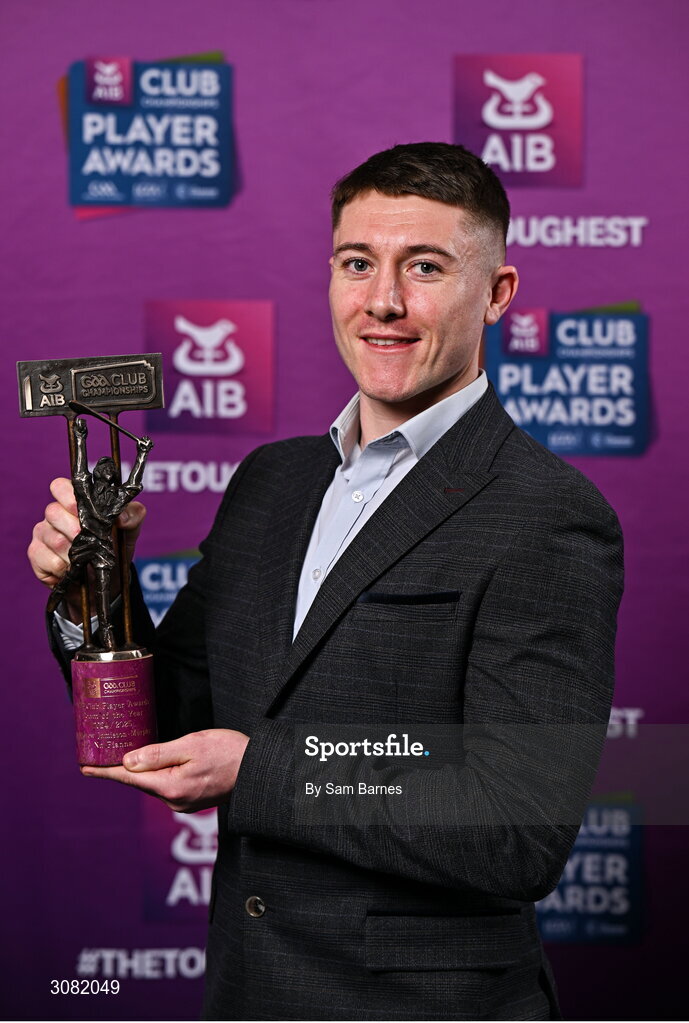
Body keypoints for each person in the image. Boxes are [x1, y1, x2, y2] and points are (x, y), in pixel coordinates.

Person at [29, 142, 624, 1021]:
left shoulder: (545, 514)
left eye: (424, 267)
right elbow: (169, 725)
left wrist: (261, 769)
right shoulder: (272, 483)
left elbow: (513, 824)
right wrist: (96, 585)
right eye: (358, 263)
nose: (383, 300)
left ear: (497, 292)